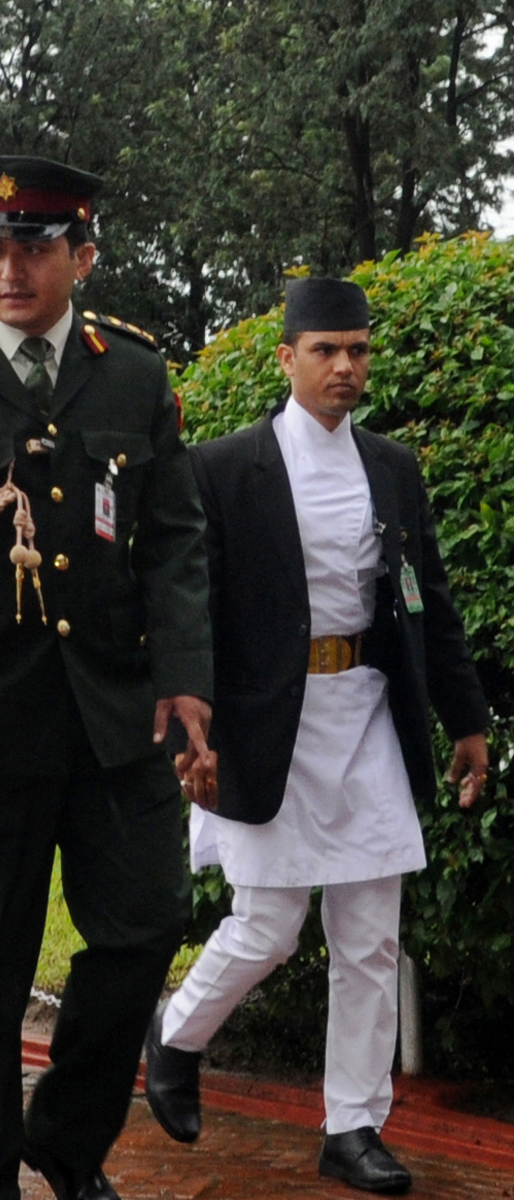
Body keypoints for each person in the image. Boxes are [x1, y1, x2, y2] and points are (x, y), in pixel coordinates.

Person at [0, 156, 213, 1200]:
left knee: (145, 927)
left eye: (35, 245)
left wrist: (185, 680)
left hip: (118, 713)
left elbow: (172, 540)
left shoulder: (133, 372)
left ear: (82, 254)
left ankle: (67, 1144)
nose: (11, 266)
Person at [144, 278, 490, 1195]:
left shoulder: (393, 467)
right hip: (266, 725)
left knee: (371, 937)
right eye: (327, 350)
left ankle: (353, 1126)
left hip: (365, 709)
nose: (346, 367)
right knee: (266, 926)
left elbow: (430, 605)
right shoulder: (224, 467)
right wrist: (193, 727)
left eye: (359, 350)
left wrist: (467, 720)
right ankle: (174, 1036)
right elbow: (194, 610)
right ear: (287, 357)